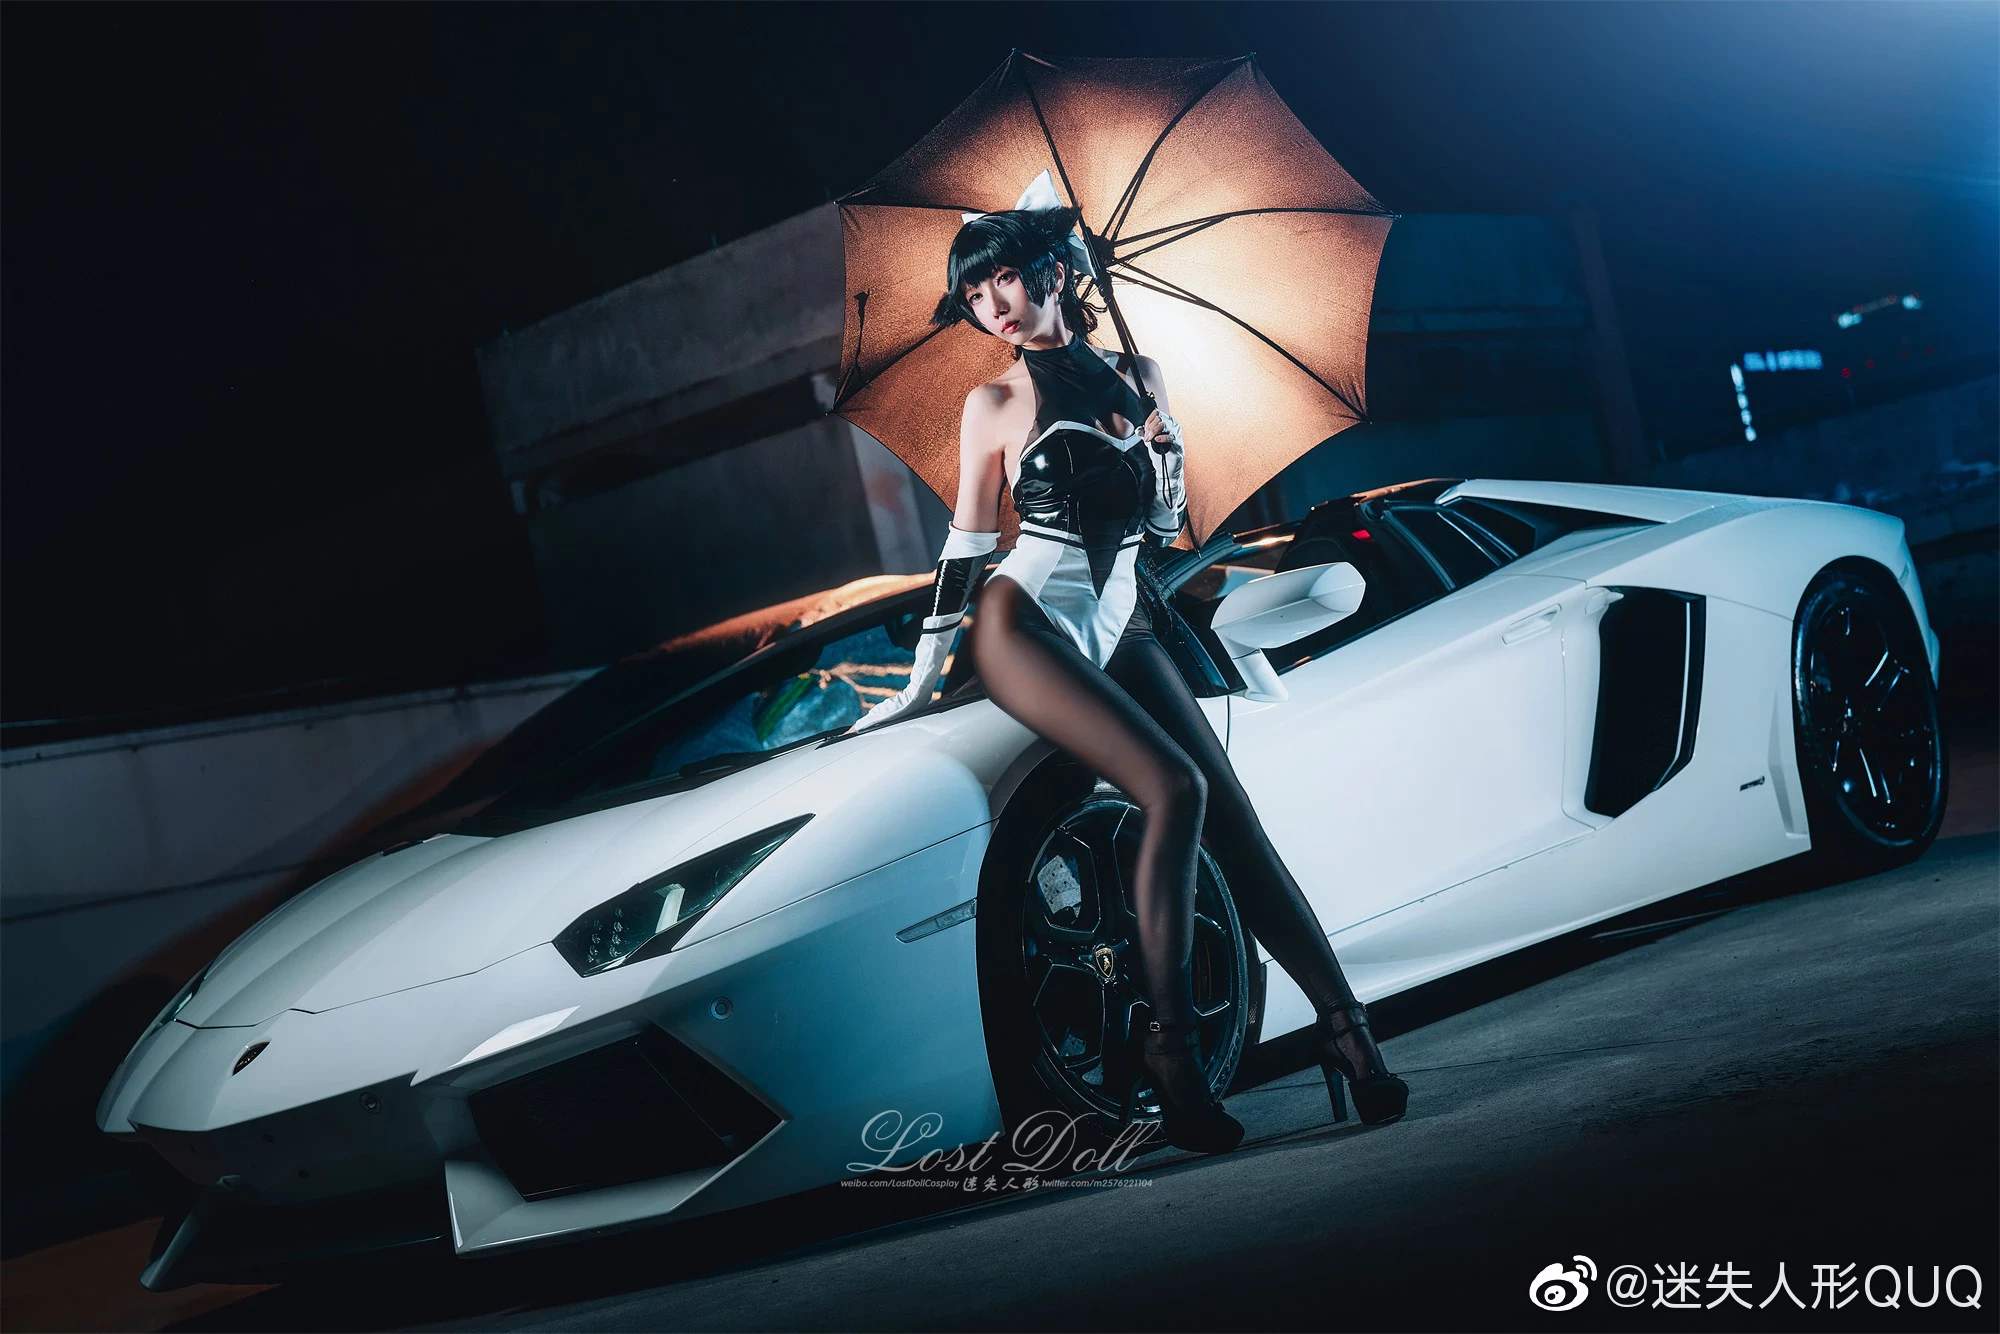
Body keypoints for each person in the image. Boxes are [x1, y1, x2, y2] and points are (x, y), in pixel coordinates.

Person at [846, 202, 1408, 1153]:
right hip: (1024, 622)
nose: (992, 306)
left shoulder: (1141, 378)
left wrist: (1168, 460)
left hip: (1126, 618)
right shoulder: (993, 404)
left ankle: (1348, 1029)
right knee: (1173, 787)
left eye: (1004, 279)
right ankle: (1172, 1053)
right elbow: (968, 545)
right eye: (975, 294)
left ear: (1054, 272)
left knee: (1233, 816)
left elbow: (1158, 532)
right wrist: (917, 679)